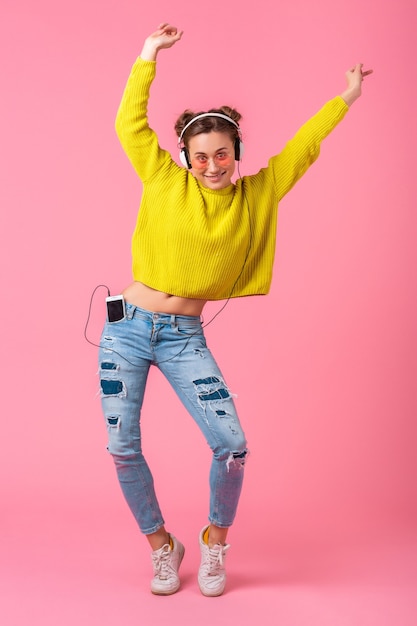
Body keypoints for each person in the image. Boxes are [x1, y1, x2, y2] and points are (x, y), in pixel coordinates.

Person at [98, 22, 372, 597]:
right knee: (122, 445)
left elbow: (304, 147)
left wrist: (345, 97)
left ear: (237, 154)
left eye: (222, 154)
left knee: (232, 442)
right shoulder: (165, 181)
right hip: (126, 328)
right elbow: (129, 124)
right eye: (200, 156)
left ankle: (214, 542)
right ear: (186, 157)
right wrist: (148, 56)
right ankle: (161, 547)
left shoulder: (257, 196)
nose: (212, 165)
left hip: (182, 335)